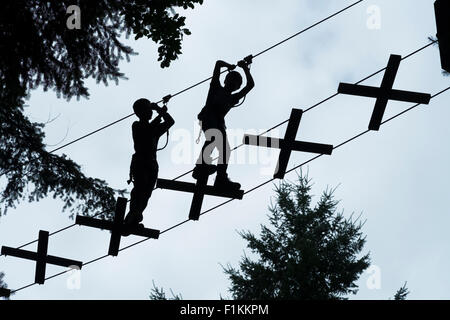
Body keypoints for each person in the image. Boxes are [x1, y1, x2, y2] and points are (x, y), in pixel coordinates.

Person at [193, 58, 255, 189]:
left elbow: (250, 85)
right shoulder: (215, 87)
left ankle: (220, 177)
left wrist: (245, 68)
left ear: (237, 86)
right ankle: (201, 166)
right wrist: (230, 66)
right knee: (214, 139)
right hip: (209, 118)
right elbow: (218, 63)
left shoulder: (233, 98)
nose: (233, 83)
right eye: (232, 80)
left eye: (236, 83)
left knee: (225, 150)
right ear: (225, 80)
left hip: (218, 122)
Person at [124, 98, 175, 227]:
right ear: (140, 112)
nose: (150, 111)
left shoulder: (154, 128)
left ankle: (136, 216)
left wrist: (159, 110)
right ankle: (132, 214)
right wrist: (159, 114)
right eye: (147, 109)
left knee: (147, 192)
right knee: (140, 188)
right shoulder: (137, 125)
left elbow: (170, 122)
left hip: (151, 163)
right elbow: (147, 131)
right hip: (141, 161)